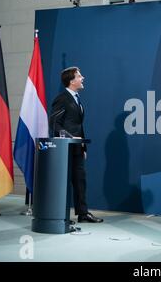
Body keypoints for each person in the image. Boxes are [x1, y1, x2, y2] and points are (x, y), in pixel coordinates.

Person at [50, 67, 103, 223]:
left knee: (80, 180)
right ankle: (61, 215)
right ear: (72, 81)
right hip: (65, 149)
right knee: (64, 182)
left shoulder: (77, 98)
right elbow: (54, 124)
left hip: (77, 148)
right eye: (79, 76)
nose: (83, 78)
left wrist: (82, 146)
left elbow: (78, 126)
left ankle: (83, 213)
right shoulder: (62, 99)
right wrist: (70, 138)